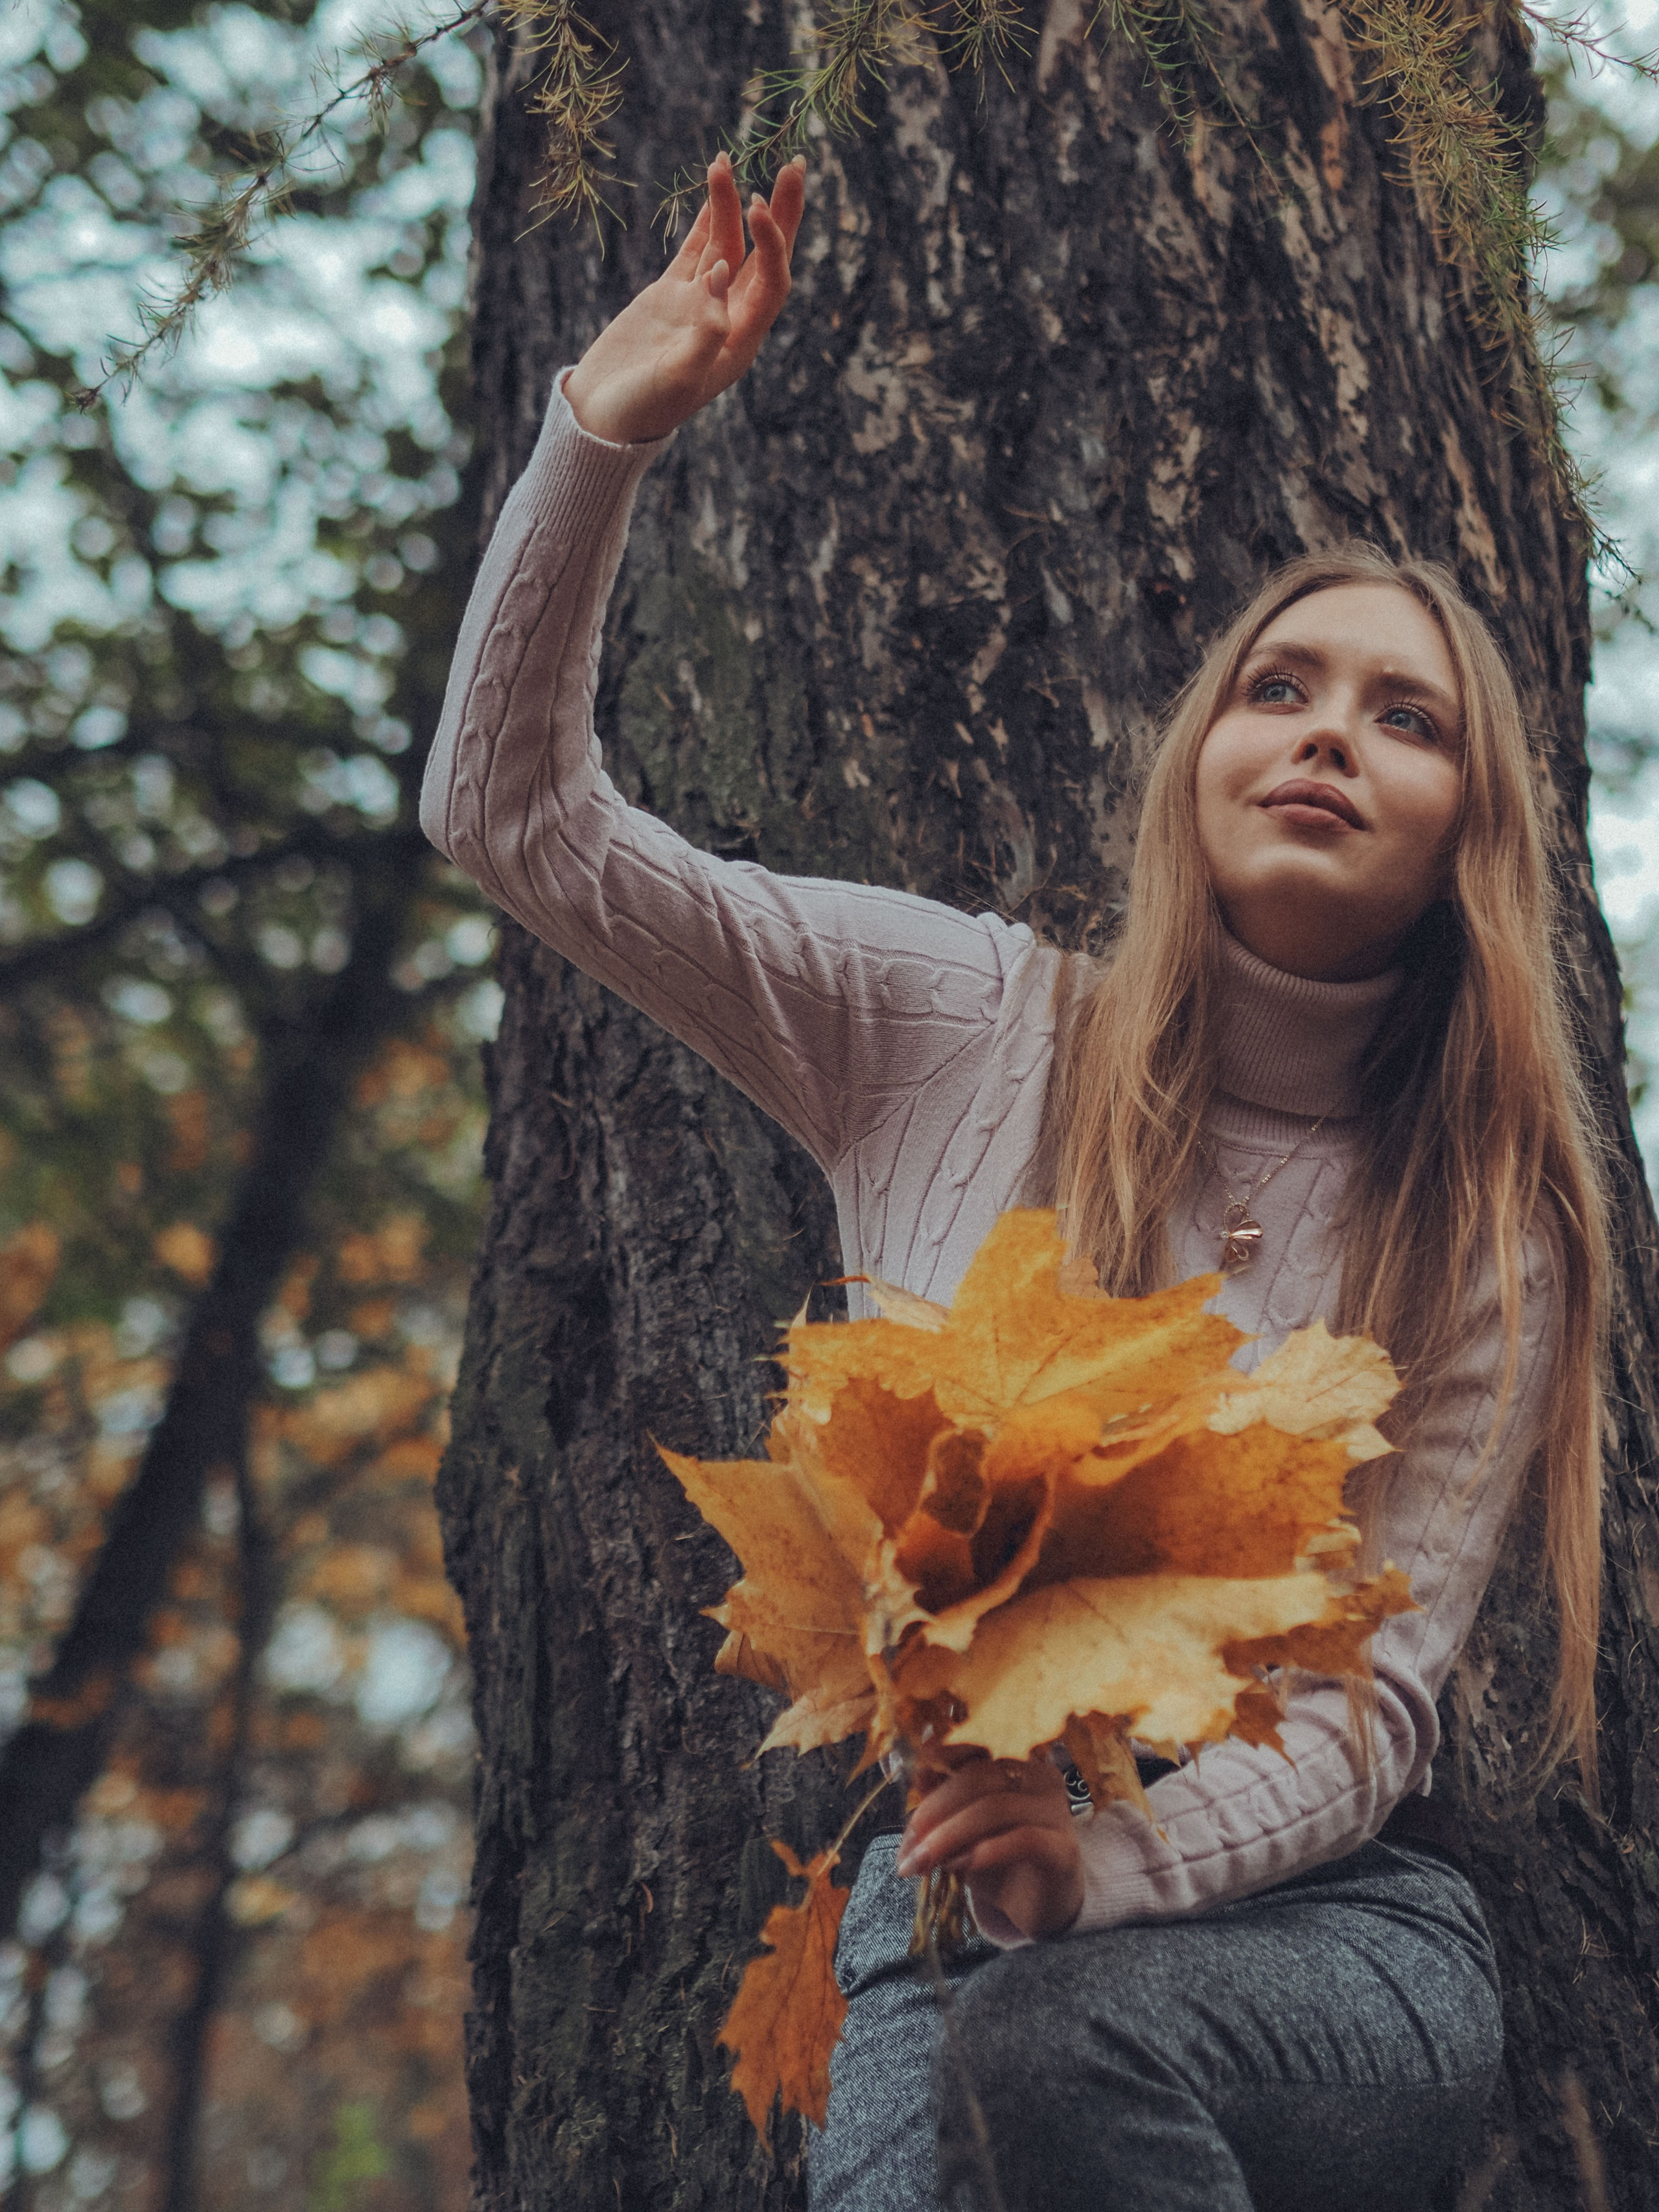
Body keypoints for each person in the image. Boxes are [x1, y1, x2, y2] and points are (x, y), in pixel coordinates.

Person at [422, 152, 1609, 2212]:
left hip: (1335, 1940)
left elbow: (1378, 1716)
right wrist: (599, 436)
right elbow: (514, 817)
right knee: (987, 2089)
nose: (1331, 737)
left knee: (1074, 2032)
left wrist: (1118, 1863)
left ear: (1468, 841)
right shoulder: (959, 1023)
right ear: (1200, 760)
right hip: (950, 1916)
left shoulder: (1473, 1225)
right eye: (1283, 687)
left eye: (1406, 721)